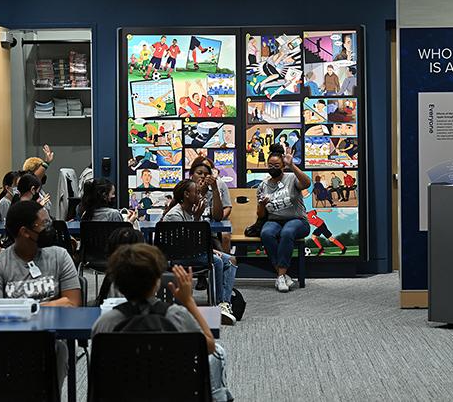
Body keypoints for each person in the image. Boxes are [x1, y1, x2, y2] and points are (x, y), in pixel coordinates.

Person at [91, 245, 233, 401]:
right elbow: (209, 345)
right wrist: (189, 302)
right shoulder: (176, 316)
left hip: (122, 395)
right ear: (157, 282)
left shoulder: (105, 322)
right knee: (218, 352)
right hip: (173, 395)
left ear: (117, 283)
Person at [0, 200, 81, 385]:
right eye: (44, 224)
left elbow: (72, 303)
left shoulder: (60, 256)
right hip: (11, 339)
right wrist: (50, 305)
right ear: (25, 232)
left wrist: (20, 308)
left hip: (52, 336)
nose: (49, 227)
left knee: (58, 348)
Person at [161, 179, 238, 325]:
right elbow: (183, 245)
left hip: (192, 252)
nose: (200, 195)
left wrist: (211, 249)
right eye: (196, 192)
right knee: (216, 261)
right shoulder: (175, 215)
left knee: (230, 259)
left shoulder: (193, 210)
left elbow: (196, 241)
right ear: (186, 194)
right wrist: (197, 218)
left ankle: (224, 304)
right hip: (178, 256)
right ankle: (217, 304)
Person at [256, 147, 311, 292]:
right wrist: (262, 204)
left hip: (298, 220)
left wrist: (292, 165)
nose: (273, 168)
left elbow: (307, 183)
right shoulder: (263, 185)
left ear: (283, 166)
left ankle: (280, 276)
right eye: (270, 165)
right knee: (266, 233)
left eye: (276, 166)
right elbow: (261, 215)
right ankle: (283, 275)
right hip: (274, 220)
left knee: (287, 232)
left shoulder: (291, 179)